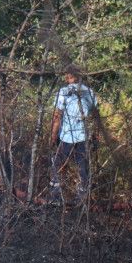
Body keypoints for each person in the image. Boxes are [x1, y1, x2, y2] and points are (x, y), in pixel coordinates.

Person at [49, 67, 100, 205]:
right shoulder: (90, 93)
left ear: (68, 77)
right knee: (83, 168)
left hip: (66, 137)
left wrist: (53, 135)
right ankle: (82, 199)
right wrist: (96, 136)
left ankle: (56, 197)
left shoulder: (63, 93)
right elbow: (96, 118)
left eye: (67, 76)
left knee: (57, 166)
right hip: (83, 137)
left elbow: (57, 116)